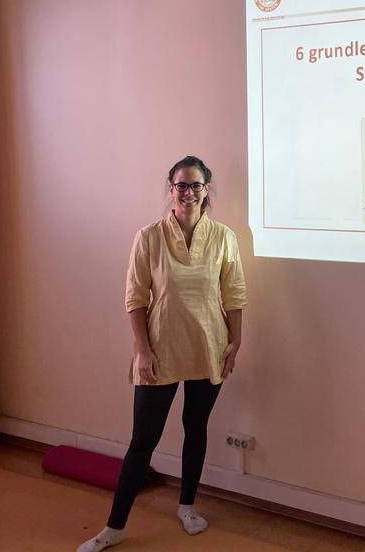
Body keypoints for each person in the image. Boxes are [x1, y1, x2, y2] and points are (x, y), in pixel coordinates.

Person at [78, 156, 247, 551]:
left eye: (196, 185)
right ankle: (114, 527)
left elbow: (234, 293)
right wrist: (142, 350)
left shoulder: (223, 237)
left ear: (206, 190)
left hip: (209, 345)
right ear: (171, 188)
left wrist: (236, 342)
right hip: (160, 348)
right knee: (143, 440)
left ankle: (187, 506)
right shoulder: (149, 237)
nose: (188, 192)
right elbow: (135, 298)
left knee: (196, 427)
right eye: (181, 185)